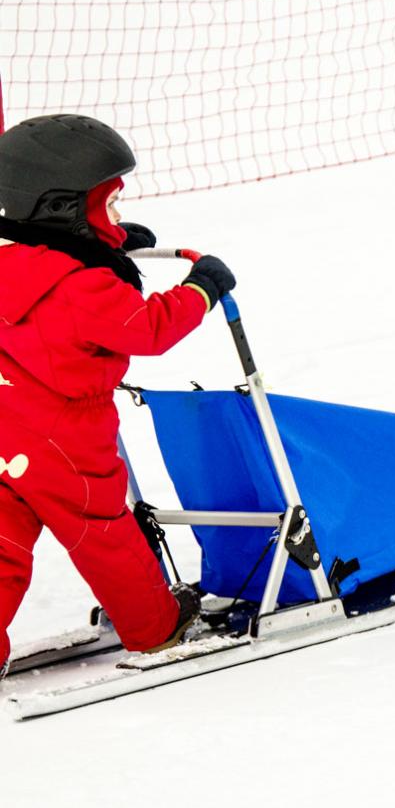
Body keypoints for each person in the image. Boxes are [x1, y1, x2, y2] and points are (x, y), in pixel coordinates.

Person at [0, 114, 235, 678]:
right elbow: (146, 328)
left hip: (8, 427)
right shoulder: (85, 286)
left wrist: (107, 245)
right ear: (63, 211)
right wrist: (201, 289)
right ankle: (156, 627)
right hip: (66, 438)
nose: (119, 218)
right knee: (103, 532)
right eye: (109, 209)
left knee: (3, 543)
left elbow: (50, 270)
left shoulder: (16, 263)